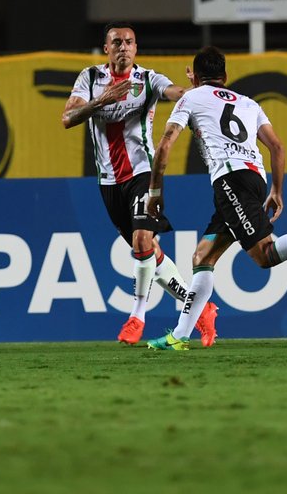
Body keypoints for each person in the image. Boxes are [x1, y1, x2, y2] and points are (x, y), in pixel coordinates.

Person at [143, 46, 287, 351]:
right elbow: (277, 147)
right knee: (203, 257)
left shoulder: (191, 97)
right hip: (254, 178)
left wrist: (155, 192)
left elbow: (164, 146)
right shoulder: (248, 103)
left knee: (265, 255)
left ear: (197, 78)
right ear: (225, 77)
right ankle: (181, 336)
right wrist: (277, 190)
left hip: (230, 181)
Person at [62, 22, 217, 346]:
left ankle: (137, 315)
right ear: (106, 48)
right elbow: (68, 118)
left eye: (129, 42)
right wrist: (101, 100)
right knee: (149, 251)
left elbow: (176, 93)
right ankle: (200, 307)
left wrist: (197, 89)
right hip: (108, 181)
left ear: (136, 48)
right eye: (116, 42)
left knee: (142, 239)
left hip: (142, 174)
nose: (123, 47)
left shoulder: (147, 79)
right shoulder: (90, 79)